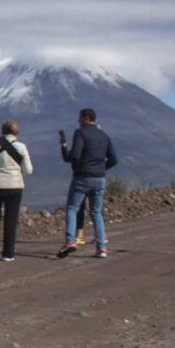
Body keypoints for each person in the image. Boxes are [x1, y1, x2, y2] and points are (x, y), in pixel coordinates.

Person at [57, 108, 118, 259]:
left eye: (79, 117)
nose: (77, 120)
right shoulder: (104, 135)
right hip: (100, 178)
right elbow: (114, 159)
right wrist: (101, 168)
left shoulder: (80, 133)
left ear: (85, 118)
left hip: (82, 177)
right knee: (96, 212)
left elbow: (75, 155)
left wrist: (77, 166)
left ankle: (71, 241)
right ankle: (101, 248)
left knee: (72, 208)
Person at [0, 119, 33, 262]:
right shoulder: (22, 147)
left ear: (2, 130)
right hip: (15, 187)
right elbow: (28, 169)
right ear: (17, 132)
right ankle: (8, 254)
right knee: (11, 220)